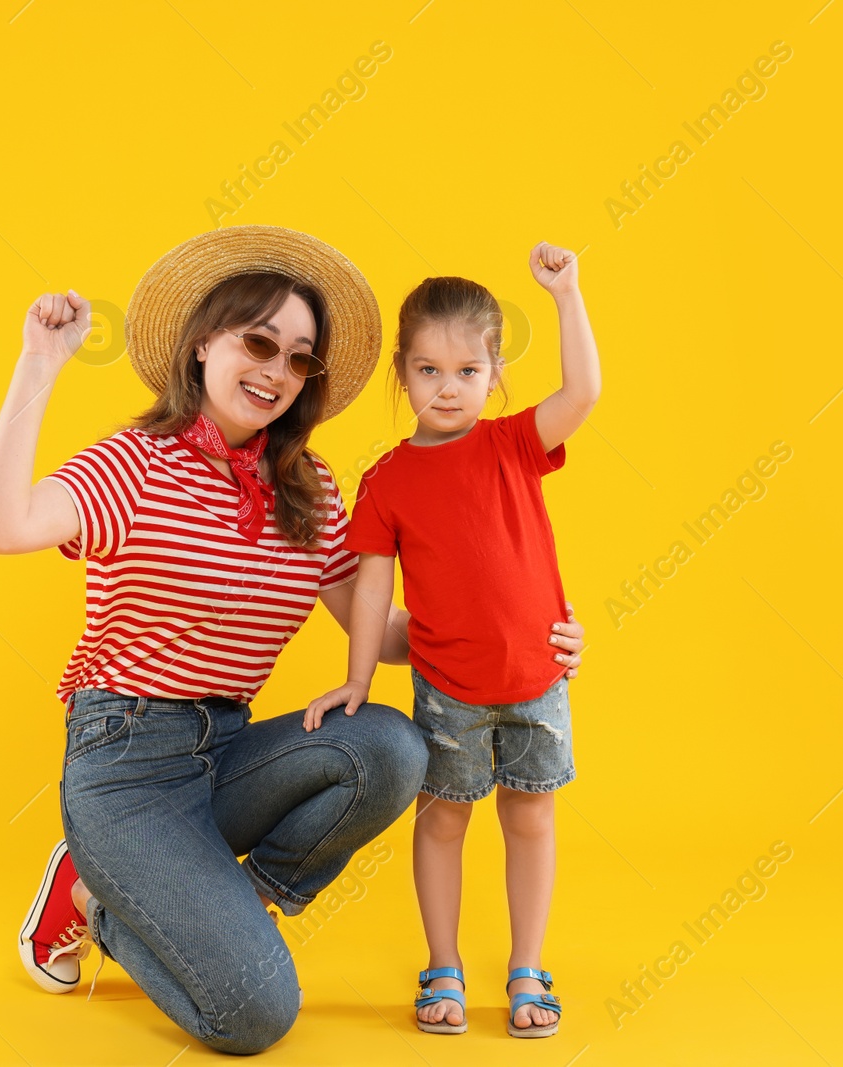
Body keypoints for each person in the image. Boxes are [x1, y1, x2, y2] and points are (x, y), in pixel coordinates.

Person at [0, 225, 588, 1055]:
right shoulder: (136, 463)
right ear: (201, 347)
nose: (276, 371)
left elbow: (388, 632)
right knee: (255, 1015)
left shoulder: (308, 490)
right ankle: (100, 898)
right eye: (259, 341)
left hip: (225, 748)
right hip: (125, 762)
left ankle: (204, 897)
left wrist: (519, 636)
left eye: (299, 359)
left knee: (394, 746)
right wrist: (38, 366)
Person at [303, 242, 601, 1039]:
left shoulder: (513, 445)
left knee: (531, 819)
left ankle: (528, 967)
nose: (448, 386)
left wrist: (566, 295)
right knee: (442, 820)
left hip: (537, 679)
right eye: (429, 370)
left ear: (494, 372)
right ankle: (444, 964)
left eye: (468, 370)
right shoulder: (388, 479)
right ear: (403, 373)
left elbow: (586, 389)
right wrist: (358, 679)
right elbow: (372, 587)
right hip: (447, 691)